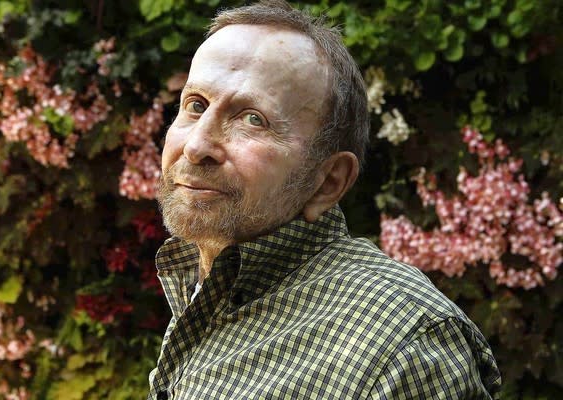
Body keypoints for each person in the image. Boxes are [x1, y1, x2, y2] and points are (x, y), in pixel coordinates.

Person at [149, 1, 501, 398]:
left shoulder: (401, 343)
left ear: (329, 182)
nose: (197, 146)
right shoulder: (204, 285)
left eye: (253, 119)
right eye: (196, 105)